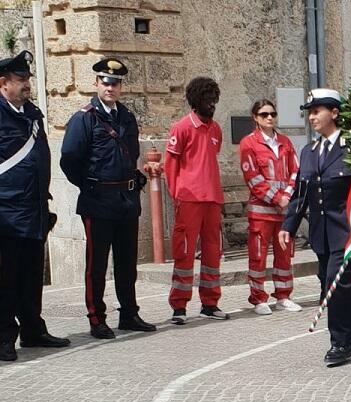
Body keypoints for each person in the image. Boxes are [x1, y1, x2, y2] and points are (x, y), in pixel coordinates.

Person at [60, 57, 156, 338]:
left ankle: (129, 313)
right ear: (96, 83)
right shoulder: (84, 118)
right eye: (105, 82)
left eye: (115, 83)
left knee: (127, 262)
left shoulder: (126, 116)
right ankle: (96, 318)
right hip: (98, 200)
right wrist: (90, 186)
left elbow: (132, 153)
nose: (110, 87)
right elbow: (69, 159)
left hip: (126, 200)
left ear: (120, 87)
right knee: (97, 265)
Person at [279, 88, 351, 367]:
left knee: (334, 283)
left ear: (334, 113)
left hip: (346, 229)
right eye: (309, 113)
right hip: (321, 232)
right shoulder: (308, 152)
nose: (312, 117)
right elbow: (300, 193)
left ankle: (339, 343)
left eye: (317, 111)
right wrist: (288, 226)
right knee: (333, 284)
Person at [0, 50, 70, 361]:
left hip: (34, 210)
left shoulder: (33, 114)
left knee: (31, 276)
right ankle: (3, 337)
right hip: (6, 213)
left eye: (28, 78)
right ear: (3, 83)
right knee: (6, 279)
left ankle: (32, 329)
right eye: (20, 79)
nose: (27, 84)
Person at [165, 77, 229, 325]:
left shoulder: (216, 130)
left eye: (214, 99)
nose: (211, 104)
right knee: (184, 253)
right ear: (195, 101)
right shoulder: (181, 128)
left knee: (213, 253)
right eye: (206, 99)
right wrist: (177, 194)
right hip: (189, 200)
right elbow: (171, 165)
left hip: (213, 200)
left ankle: (210, 304)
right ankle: (178, 307)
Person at [238, 99, 303, 315]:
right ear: (255, 118)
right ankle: (258, 299)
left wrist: (287, 196)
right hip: (261, 212)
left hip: (284, 213)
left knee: (284, 255)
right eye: (264, 114)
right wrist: (277, 198)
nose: (269, 118)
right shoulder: (249, 143)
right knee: (258, 256)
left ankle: (283, 296)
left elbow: (296, 171)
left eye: (272, 114)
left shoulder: (285, 142)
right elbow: (253, 177)